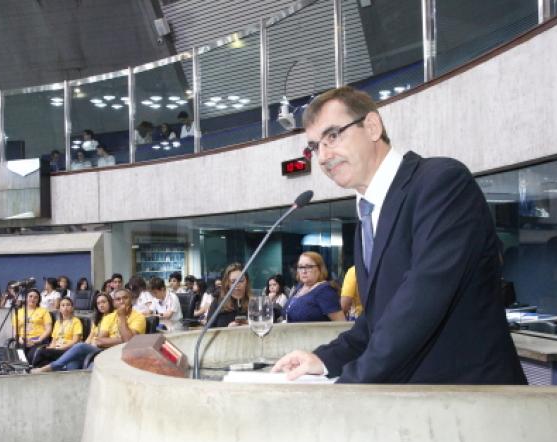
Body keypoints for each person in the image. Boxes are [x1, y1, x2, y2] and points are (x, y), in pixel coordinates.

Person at [273, 86, 526, 385]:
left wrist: (344, 388)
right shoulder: (366, 215)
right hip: (416, 401)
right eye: (315, 147)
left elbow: (418, 308)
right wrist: (325, 360)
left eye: (333, 136)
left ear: (372, 126)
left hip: (472, 398)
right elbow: (376, 321)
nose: (323, 156)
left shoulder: (441, 183)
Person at [32, 288, 144, 373]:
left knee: (81, 349)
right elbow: (99, 340)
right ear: (114, 302)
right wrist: (121, 339)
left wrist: (122, 318)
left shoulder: (139, 317)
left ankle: (51, 367)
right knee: (73, 364)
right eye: (118, 299)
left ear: (131, 300)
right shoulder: (109, 317)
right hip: (102, 351)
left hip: (122, 354)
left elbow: (129, 342)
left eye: (125, 298)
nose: (122, 301)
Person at [282, 252, 345, 323]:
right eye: (300, 267)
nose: (304, 271)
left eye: (309, 267)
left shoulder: (324, 290)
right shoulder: (299, 287)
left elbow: (340, 323)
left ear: (319, 269)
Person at [31, 297, 83, 368]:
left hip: (68, 350)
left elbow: (75, 341)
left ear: (72, 308)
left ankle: (33, 369)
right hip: (57, 349)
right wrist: (51, 348)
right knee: (41, 354)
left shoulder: (76, 321)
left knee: (41, 353)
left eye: (68, 305)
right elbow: (54, 340)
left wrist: (61, 347)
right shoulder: (58, 322)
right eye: (63, 305)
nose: (65, 307)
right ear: (60, 309)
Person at [14, 288, 53, 366]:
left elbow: (48, 329)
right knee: (18, 358)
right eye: (30, 296)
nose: (33, 299)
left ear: (38, 300)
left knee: (30, 357)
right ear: (26, 298)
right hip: (23, 340)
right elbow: (15, 330)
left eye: (36, 297)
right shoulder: (19, 312)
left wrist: (39, 339)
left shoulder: (43, 311)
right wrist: (19, 339)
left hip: (38, 340)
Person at [206, 263, 250, 328]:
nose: (237, 284)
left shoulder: (253, 302)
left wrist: (252, 325)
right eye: (233, 281)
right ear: (227, 283)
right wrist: (227, 329)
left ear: (246, 282)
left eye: (241, 280)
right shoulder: (218, 302)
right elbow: (209, 329)